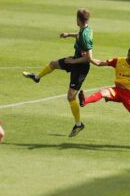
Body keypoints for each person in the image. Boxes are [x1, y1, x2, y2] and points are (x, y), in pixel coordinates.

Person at [22, 8, 93, 137]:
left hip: (80, 67)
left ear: (78, 19)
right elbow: (79, 35)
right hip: (75, 60)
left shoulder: (85, 36)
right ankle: (37, 77)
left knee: (71, 97)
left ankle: (78, 124)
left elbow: (89, 58)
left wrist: (73, 62)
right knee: (53, 64)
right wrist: (68, 34)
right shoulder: (86, 29)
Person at [77, 47, 130, 155]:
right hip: (118, 91)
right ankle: (84, 101)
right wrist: (89, 58)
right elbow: (100, 63)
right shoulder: (118, 61)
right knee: (104, 92)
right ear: (128, 55)